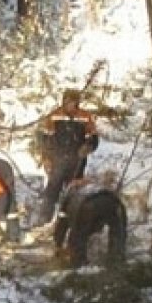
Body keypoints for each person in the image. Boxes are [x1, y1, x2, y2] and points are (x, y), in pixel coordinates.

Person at [34, 88, 99, 225]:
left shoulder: (85, 117)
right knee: (52, 191)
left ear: (77, 103)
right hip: (57, 160)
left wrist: (88, 147)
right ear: (63, 101)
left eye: (73, 102)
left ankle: (71, 222)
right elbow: (44, 140)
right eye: (68, 102)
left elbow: (93, 138)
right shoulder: (54, 116)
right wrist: (46, 158)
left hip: (77, 161)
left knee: (74, 193)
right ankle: (44, 220)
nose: (70, 105)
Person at [53, 179, 127, 268]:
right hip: (113, 201)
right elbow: (122, 224)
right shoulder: (97, 187)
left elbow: (61, 226)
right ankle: (117, 261)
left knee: (78, 239)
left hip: (87, 205)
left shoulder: (69, 195)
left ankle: (79, 267)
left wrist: (57, 244)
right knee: (117, 235)